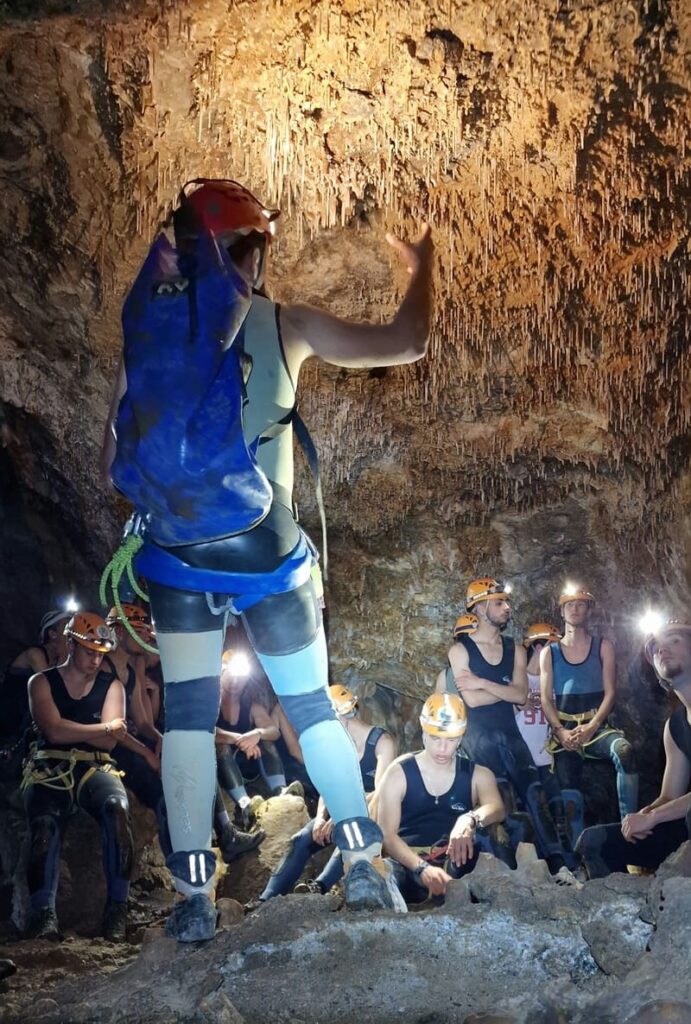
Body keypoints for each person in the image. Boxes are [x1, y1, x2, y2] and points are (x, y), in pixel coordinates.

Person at [101, 179, 433, 940]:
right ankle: (361, 866)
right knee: (310, 704)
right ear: (253, 252)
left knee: (185, 716)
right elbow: (407, 340)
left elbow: (108, 464)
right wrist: (419, 267)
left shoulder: (146, 336)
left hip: (173, 551)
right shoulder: (280, 324)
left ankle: (192, 902)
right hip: (263, 545)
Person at [438, 578, 576, 881]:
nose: (507, 608)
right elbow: (471, 700)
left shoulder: (515, 648)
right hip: (480, 740)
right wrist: (503, 688)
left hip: (511, 737)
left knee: (536, 796)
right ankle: (508, 873)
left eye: (506, 602)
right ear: (481, 606)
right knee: (500, 803)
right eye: (500, 602)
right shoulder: (460, 651)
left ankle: (559, 868)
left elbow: (521, 696)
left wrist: (485, 683)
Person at [21, 613, 133, 942]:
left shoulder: (112, 686)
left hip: (97, 766)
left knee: (117, 811)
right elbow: (53, 731)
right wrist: (102, 728)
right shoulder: (41, 682)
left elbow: (112, 742)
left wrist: (100, 733)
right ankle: (43, 914)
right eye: (88, 651)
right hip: (49, 765)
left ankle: (117, 910)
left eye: (100, 653)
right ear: (71, 644)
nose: (96, 660)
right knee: (44, 824)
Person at [255, 684, 396, 903]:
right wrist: (321, 817)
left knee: (352, 834)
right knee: (301, 839)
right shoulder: (334, 745)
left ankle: (318, 888)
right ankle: (266, 899)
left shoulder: (381, 742)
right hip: (339, 807)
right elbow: (328, 785)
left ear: (343, 714)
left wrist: (342, 815)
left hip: (371, 812)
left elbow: (381, 793)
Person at [577, 619, 691, 876]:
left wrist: (654, 818)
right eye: (656, 648)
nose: (662, 649)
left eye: (674, 640)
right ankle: (623, 909)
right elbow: (669, 797)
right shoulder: (675, 727)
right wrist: (642, 816)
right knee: (596, 842)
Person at [377, 693, 506, 903]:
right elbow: (387, 835)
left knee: (499, 834)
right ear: (424, 732)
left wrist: (469, 819)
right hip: (407, 866)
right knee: (381, 875)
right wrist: (422, 868)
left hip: (454, 862)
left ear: (461, 737)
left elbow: (497, 808)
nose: (442, 748)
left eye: (451, 740)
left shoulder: (477, 775)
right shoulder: (398, 774)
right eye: (435, 738)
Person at [540, 584, 638, 831]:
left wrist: (593, 727)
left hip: (597, 727)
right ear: (561, 611)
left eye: (581, 604)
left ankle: (633, 828)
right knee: (569, 797)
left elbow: (611, 692)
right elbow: (545, 699)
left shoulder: (603, 646)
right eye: (569, 605)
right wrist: (560, 732)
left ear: (588, 610)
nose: (575, 609)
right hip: (566, 733)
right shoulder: (549, 653)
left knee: (624, 751)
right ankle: (576, 859)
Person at [215, 647, 298, 826]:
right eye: (232, 675)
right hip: (225, 770)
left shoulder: (251, 705)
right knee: (221, 746)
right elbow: (207, 731)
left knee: (266, 739)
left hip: (250, 765)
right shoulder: (212, 703)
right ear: (221, 672)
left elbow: (273, 731)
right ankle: (245, 804)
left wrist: (257, 733)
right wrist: (240, 739)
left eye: (241, 677)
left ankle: (280, 792)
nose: (236, 681)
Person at [1, 610, 69, 748]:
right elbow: (52, 685)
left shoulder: (56, 661)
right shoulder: (35, 654)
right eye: (67, 626)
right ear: (52, 634)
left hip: (24, 719)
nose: (72, 630)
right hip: (8, 715)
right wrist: (65, 654)